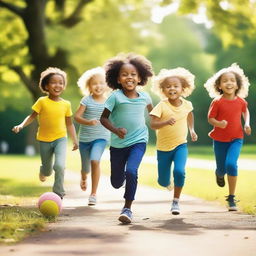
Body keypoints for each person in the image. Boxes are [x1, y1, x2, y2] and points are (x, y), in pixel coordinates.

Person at [100, 52, 153, 224]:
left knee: (131, 171)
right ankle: (121, 179)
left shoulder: (145, 97)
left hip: (139, 141)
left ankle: (127, 208)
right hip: (118, 144)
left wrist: (167, 120)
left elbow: (154, 115)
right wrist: (115, 130)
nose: (129, 77)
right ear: (117, 79)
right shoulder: (115, 97)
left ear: (140, 78)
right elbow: (103, 118)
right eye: (124, 74)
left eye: (133, 74)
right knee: (116, 182)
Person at [12, 67, 78, 199]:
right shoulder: (42, 101)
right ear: (46, 86)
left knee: (59, 165)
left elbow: (69, 124)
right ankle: (43, 170)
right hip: (44, 139)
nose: (57, 85)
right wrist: (21, 125)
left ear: (64, 86)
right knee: (48, 170)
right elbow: (31, 117)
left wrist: (75, 140)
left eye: (61, 82)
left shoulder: (66, 104)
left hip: (60, 138)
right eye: (54, 82)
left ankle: (58, 192)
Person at [150, 68, 198, 215]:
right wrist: (164, 122)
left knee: (179, 171)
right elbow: (152, 124)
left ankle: (176, 201)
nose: (172, 88)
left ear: (183, 88)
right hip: (163, 148)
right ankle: (167, 183)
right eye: (168, 86)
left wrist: (192, 130)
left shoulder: (187, 104)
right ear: (163, 90)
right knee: (162, 181)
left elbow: (189, 116)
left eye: (175, 86)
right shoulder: (162, 105)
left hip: (180, 145)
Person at [204, 63, 251, 211]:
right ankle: (219, 173)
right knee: (221, 168)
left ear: (237, 85)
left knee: (231, 164)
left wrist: (247, 123)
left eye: (232, 80)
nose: (229, 83)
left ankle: (231, 198)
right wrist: (219, 123)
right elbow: (210, 118)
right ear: (219, 85)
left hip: (237, 138)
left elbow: (245, 111)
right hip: (219, 139)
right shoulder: (217, 102)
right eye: (225, 81)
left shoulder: (241, 101)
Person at [74, 67, 110, 206]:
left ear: (106, 85)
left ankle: (93, 194)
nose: (98, 86)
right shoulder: (86, 100)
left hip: (101, 137)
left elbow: (114, 117)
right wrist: (88, 122)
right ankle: (83, 177)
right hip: (85, 139)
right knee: (85, 168)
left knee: (95, 161)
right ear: (88, 86)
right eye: (94, 83)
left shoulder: (109, 101)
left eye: (101, 83)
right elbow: (77, 117)